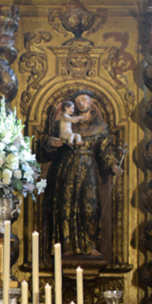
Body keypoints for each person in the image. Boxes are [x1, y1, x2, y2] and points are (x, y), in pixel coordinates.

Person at [43, 92, 122, 259]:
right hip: (67, 167)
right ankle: (67, 245)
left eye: (84, 99)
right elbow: (50, 143)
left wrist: (113, 165)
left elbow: (105, 148)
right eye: (77, 101)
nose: (81, 103)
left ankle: (90, 244)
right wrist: (50, 142)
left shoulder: (100, 125)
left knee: (90, 207)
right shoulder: (67, 121)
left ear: (91, 102)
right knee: (66, 205)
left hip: (88, 168)